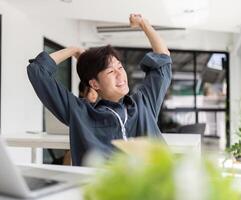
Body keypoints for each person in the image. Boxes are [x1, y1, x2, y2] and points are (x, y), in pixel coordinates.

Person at [27, 14, 172, 166]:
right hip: (105, 187)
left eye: (120, 67)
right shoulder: (80, 112)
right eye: (110, 71)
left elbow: (163, 59)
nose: (120, 74)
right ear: (95, 84)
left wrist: (144, 24)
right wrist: (74, 50)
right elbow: (37, 71)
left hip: (153, 185)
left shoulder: (143, 103)